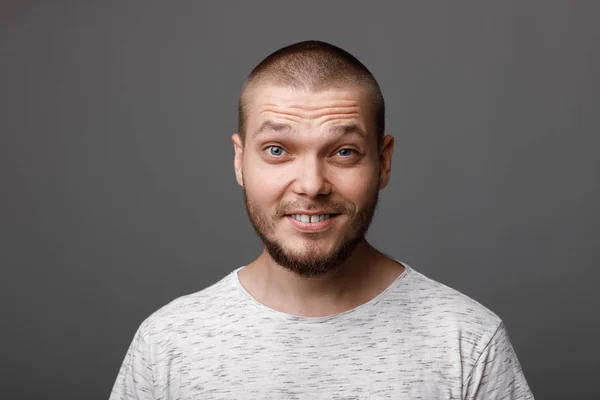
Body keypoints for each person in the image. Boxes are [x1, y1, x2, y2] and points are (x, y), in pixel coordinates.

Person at [109, 40, 534, 399]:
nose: (311, 186)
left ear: (383, 163)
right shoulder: (167, 344)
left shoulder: (468, 342)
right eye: (277, 150)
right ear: (240, 161)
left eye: (343, 152)